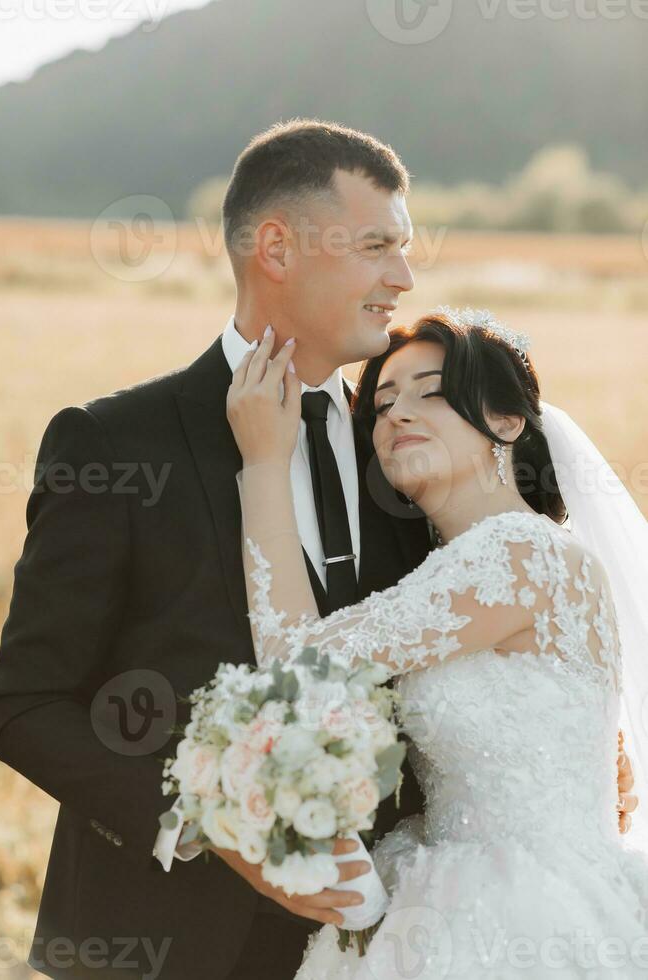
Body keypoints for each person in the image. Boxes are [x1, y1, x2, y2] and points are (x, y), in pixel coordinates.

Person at [0, 120, 429, 980]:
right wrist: (209, 827)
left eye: (407, 249)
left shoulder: (414, 444)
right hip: (162, 949)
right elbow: (23, 699)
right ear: (277, 246)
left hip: (388, 946)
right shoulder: (114, 444)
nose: (404, 278)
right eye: (377, 245)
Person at [226, 307, 646, 978]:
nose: (396, 414)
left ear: (507, 422)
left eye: (432, 392)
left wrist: (264, 462)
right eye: (383, 404)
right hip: (452, 880)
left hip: (519, 916)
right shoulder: (462, 567)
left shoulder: (517, 553)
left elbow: (292, 663)